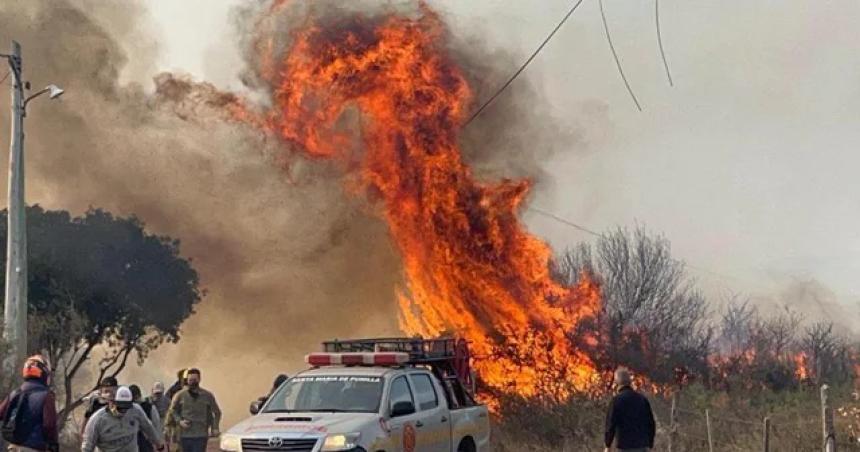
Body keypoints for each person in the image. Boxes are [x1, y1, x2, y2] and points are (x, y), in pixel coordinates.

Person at [0, 356, 59, 452]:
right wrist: (53, 445)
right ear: (43, 373)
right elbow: (49, 425)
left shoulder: (15, 393)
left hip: (12, 447)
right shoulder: (46, 396)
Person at [81, 386, 164, 452]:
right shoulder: (98, 419)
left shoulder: (135, 410)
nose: (123, 411)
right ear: (111, 402)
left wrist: (158, 444)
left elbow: (148, 427)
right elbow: (87, 446)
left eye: (126, 407)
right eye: (120, 407)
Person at [166, 369, 221, 452]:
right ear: (187, 381)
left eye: (194, 380)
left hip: (201, 434)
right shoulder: (180, 395)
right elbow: (172, 411)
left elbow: (217, 412)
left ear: (199, 379)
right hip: (184, 435)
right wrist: (179, 421)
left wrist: (215, 427)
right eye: (190, 380)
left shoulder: (207, 395)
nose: (192, 382)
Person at [604, 368, 656, 452]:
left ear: (617, 383)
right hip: (641, 447)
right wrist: (650, 443)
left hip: (624, 447)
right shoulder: (642, 399)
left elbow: (610, 424)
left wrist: (608, 445)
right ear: (630, 382)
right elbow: (651, 423)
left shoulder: (616, 401)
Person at [129, 386, 161, 452]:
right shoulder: (149, 407)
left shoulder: (149, 407)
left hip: (146, 442)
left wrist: (156, 441)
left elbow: (154, 425)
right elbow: (156, 424)